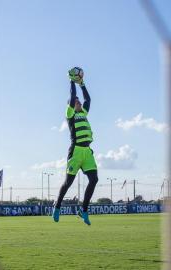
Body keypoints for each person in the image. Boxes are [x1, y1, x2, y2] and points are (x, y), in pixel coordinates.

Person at [52, 69, 99, 225]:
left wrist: (82, 83)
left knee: (94, 180)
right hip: (76, 151)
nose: (78, 102)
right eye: (76, 102)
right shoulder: (70, 114)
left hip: (87, 152)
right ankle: (57, 206)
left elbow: (88, 99)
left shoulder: (84, 113)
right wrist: (72, 81)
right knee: (68, 182)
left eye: (79, 102)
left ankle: (83, 210)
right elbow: (72, 98)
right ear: (71, 106)